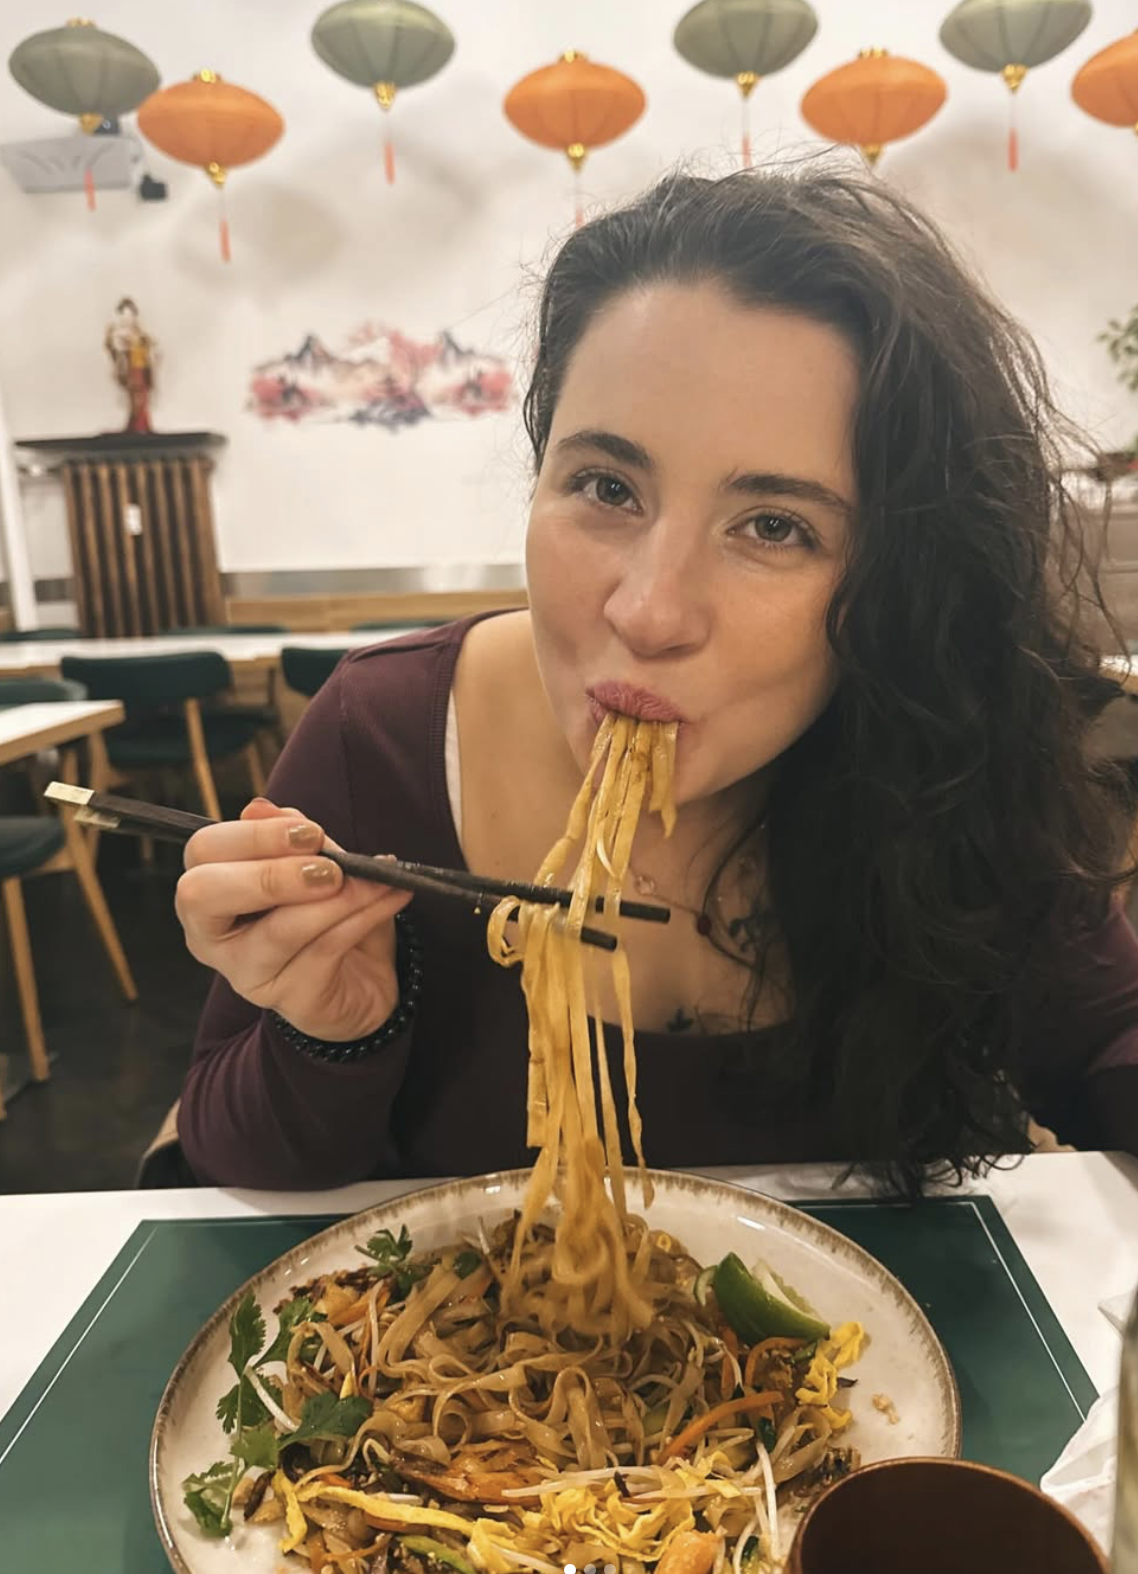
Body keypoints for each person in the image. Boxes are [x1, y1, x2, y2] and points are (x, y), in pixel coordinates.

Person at [173, 164, 1138, 1200]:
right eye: (605, 485)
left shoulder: (937, 747)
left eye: (774, 526)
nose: (647, 610)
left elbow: (1105, 1040)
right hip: (462, 1347)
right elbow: (231, 1157)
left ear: (901, 583)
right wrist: (333, 1032)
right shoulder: (387, 730)